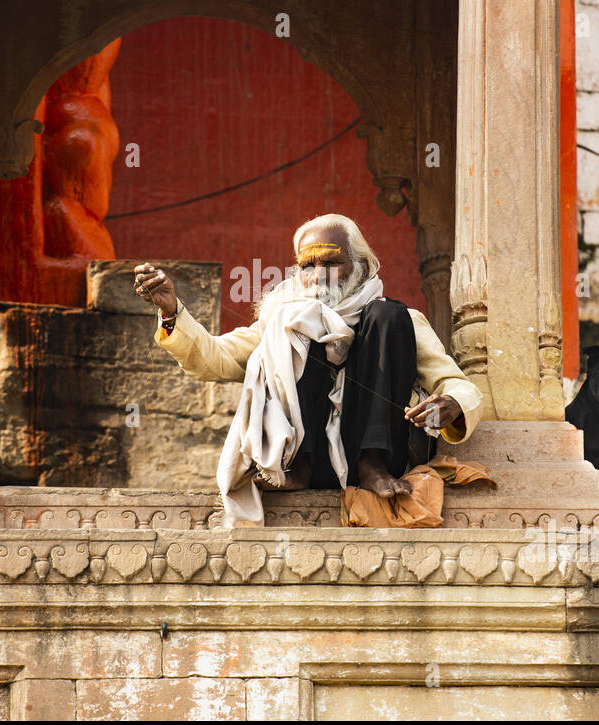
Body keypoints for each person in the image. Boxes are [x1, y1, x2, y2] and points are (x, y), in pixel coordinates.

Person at [133, 213, 482, 527]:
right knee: (301, 319)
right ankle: (301, 463)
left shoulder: (403, 323)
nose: (319, 275)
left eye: (332, 262)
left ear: (361, 266)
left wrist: (451, 404)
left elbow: (456, 383)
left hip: (382, 465)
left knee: (389, 313)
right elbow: (215, 358)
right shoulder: (281, 318)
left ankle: (372, 462)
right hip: (310, 466)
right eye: (308, 265)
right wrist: (171, 313)